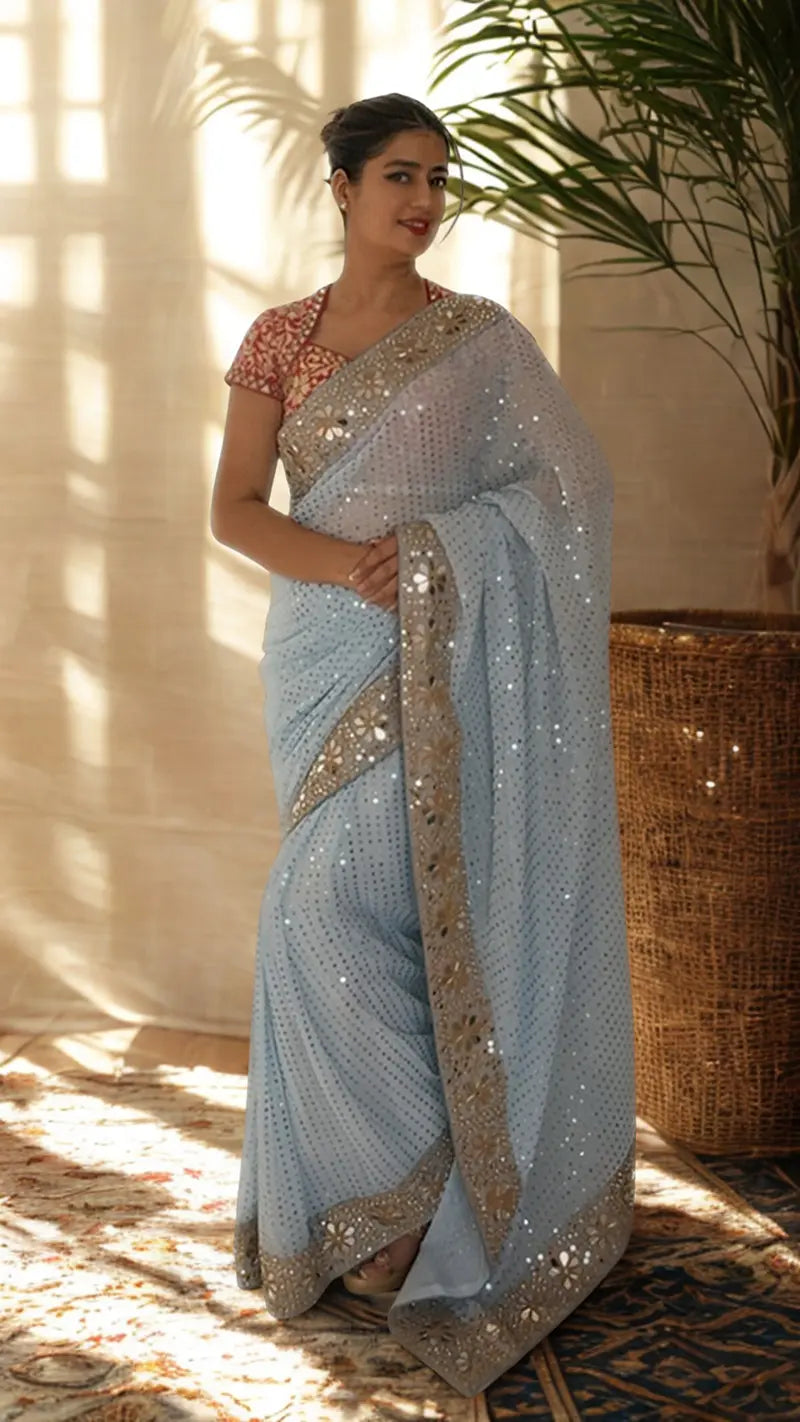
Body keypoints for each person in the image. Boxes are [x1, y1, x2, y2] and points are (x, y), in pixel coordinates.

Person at [210, 92, 636, 1398]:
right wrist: (349, 565)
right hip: (329, 652)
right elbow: (234, 508)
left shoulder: (482, 342)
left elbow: (569, 494)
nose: (422, 199)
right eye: (398, 174)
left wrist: (448, 559)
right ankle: (386, 1198)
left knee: (361, 910)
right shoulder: (280, 339)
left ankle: (440, 1191)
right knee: (317, 913)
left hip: (448, 664)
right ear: (341, 186)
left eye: (438, 179)